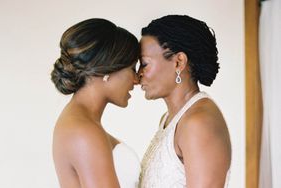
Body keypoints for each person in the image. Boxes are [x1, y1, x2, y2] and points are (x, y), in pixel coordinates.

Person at [138, 15, 231, 188]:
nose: (138, 75)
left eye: (144, 64)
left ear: (178, 62)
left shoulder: (199, 123)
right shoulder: (168, 119)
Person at [51, 18, 140, 188]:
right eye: (132, 68)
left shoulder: (78, 121)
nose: (136, 80)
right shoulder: (84, 131)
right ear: (107, 70)